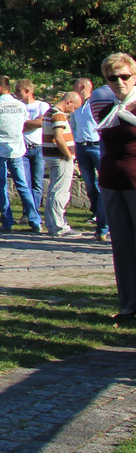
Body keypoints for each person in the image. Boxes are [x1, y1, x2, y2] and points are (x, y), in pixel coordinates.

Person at [90, 52, 136, 325]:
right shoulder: (103, 107)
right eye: (112, 77)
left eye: (125, 76)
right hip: (110, 180)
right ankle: (129, 304)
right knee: (121, 244)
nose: (119, 82)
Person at [0, 75, 42, 233]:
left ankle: (7, 221)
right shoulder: (21, 106)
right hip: (17, 149)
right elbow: (24, 124)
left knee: (1, 185)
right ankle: (34, 219)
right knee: (23, 185)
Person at [41, 91, 82, 237]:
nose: (74, 111)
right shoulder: (58, 115)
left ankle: (52, 223)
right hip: (60, 158)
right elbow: (58, 137)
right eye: (75, 107)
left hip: (51, 157)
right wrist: (68, 155)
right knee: (60, 192)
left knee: (53, 190)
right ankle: (60, 226)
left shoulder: (48, 112)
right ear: (69, 102)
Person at [71, 76, 108, 240]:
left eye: (75, 86)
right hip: (81, 146)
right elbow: (73, 126)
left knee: (104, 182)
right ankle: (96, 212)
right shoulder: (77, 107)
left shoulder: (95, 103)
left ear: (82, 87)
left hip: (95, 144)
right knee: (89, 183)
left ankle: (103, 218)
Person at [18, 79, 52, 203]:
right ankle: (27, 211)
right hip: (23, 148)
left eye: (18, 91)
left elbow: (42, 122)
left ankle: (35, 211)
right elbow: (16, 125)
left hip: (38, 148)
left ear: (27, 91)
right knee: (25, 183)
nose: (16, 93)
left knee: (37, 183)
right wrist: (33, 123)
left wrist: (24, 123)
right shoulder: (18, 106)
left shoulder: (42, 105)